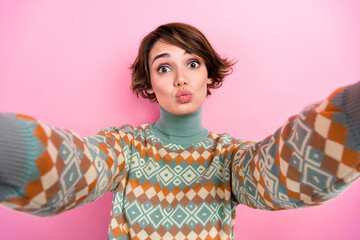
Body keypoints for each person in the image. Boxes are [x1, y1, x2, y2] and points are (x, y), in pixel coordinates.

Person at [0, 22, 359, 240]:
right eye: (164, 67)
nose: (181, 78)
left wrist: (351, 118)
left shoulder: (230, 158)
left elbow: (285, 173)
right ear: (149, 83)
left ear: (209, 74)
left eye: (192, 62)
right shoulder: (124, 146)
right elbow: (74, 169)